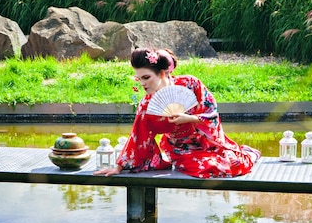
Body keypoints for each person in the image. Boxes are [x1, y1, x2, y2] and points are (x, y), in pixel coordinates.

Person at [93, 47, 261, 178]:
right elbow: (138, 136)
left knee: (235, 162)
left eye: (146, 77)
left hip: (207, 141)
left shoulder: (190, 84)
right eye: (139, 79)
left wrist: (190, 118)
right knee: (210, 168)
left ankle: (249, 154)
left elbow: (212, 113)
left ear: (161, 73)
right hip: (182, 150)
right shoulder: (146, 105)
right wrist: (119, 167)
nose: (143, 84)